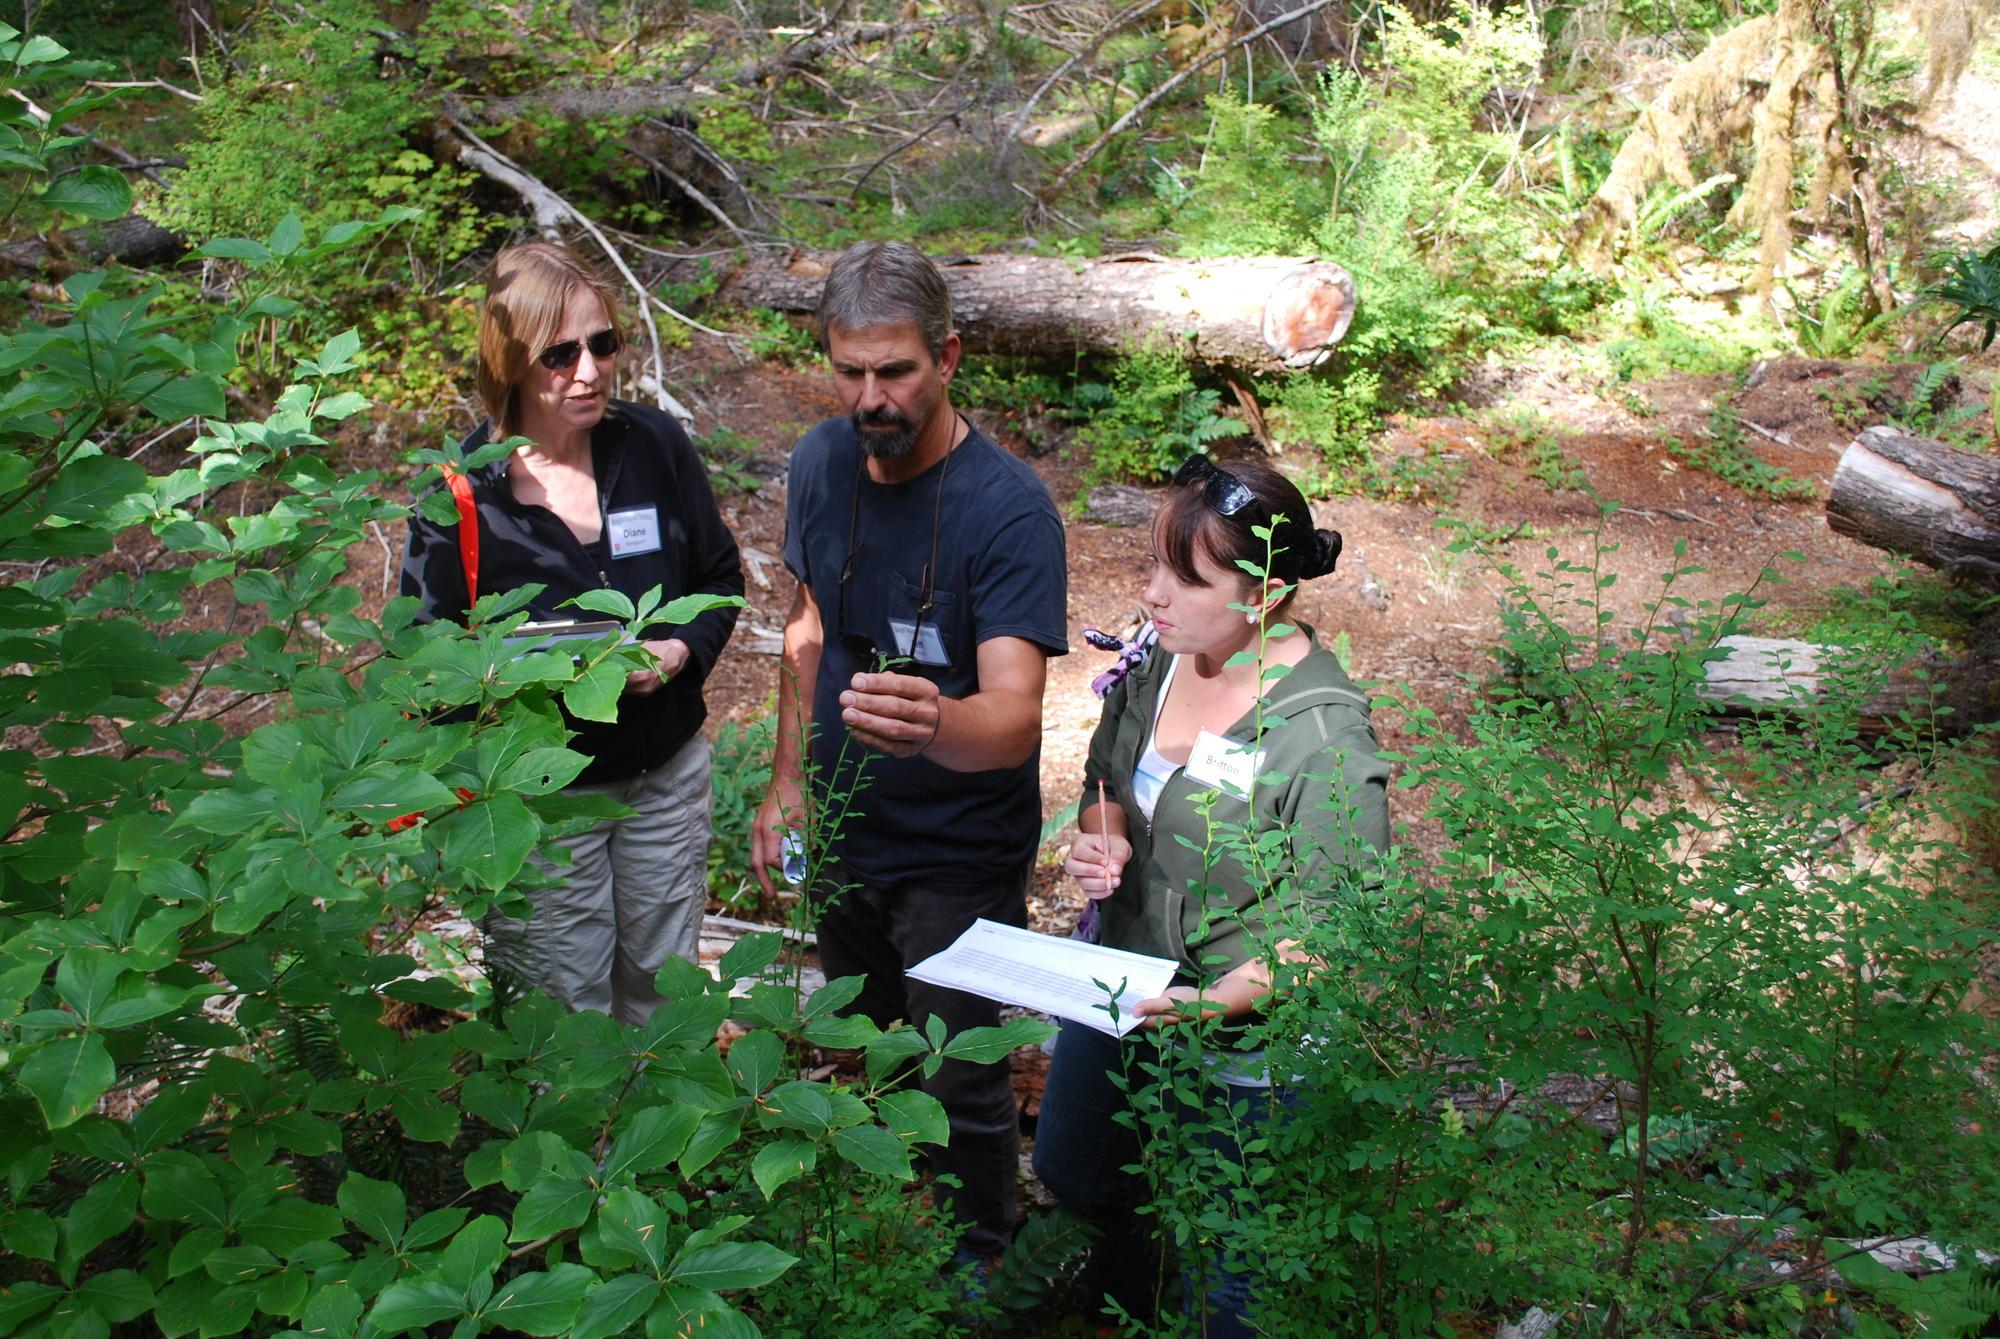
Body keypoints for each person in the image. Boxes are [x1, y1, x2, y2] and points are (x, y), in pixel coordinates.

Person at [751, 241, 1069, 1260]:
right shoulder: (818, 461)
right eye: (849, 371)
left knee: (956, 1074)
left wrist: (936, 721)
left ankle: (981, 1267)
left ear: (949, 358)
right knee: (863, 1046)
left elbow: (1017, 714)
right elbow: (805, 629)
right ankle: (890, 1243)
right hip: (846, 829)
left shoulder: (1006, 509)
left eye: (894, 371)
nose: (869, 397)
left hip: (956, 849)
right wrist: (787, 783)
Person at [1032, 454, 1390, 1332]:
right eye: (1152, 565)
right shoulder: (1162, 655)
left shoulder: (1323, 735)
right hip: (1125, 980)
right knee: (1075, 1167)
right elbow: (1106, 777)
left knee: (1232, 1268)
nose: (1152, 594)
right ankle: (1129, 1293)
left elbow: (1335, 920)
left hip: (1243, 1034)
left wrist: (1223, 1000)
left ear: (1262, 596)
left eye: (1184, 577)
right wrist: (1102, 838)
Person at [401, 241, 743, 1027]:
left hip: (663, 779)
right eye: (560, 353)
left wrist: (682, 649)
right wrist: (532, 680)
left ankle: (654, 1147)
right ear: (510, 360)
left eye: (602, 343)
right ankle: (567, 1151)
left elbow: (721, 578)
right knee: (559, 1016)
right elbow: (425, 663)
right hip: (543, 802)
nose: (588, 370)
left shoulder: (654, 446)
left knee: (663, 997)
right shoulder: (462, 494)